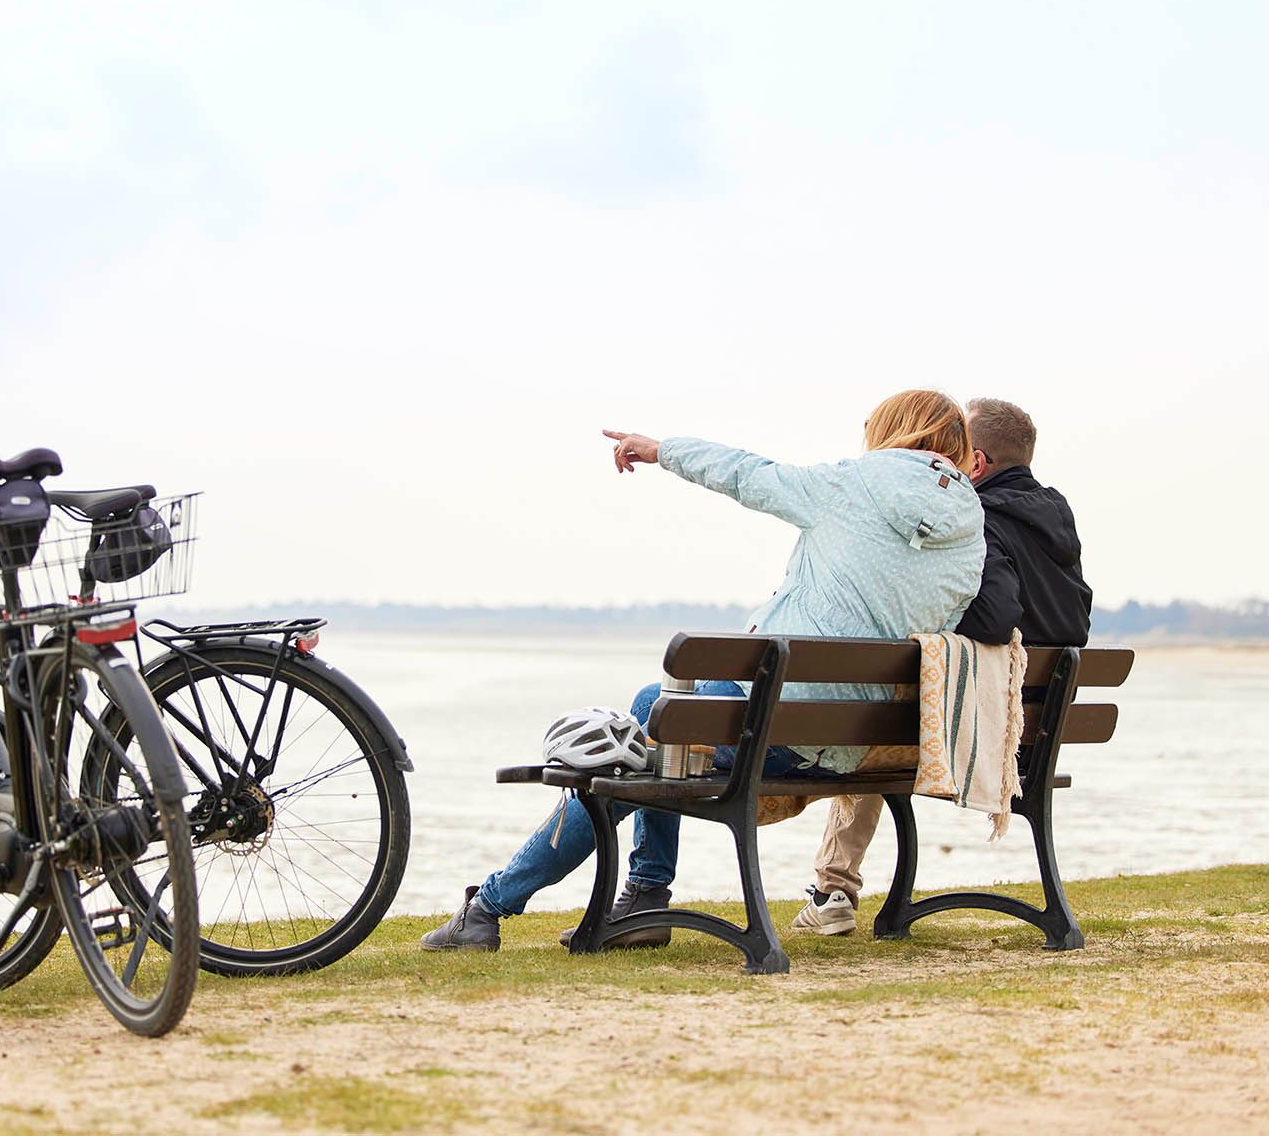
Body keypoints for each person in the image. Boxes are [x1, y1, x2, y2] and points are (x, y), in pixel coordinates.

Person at [421, 390, 989, 952]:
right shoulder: (972, 532)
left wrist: (662, 449)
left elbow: (745, 473)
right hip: (848, 745)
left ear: (895, 432)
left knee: (643, 734)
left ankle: (502, 905)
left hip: (774, 728)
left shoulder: (855, 483)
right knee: (653, 724)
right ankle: (633, 896)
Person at [792, 396, 1093, 936]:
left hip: (973, 731)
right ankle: (833, 888)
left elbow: (994, 617)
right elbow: (1074, 619)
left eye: (950, 451)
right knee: (881, 715)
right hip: (1034, 735)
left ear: (974, 464)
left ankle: (834, 887)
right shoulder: (1057, 523)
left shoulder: (976, 523)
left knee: (871, 720)